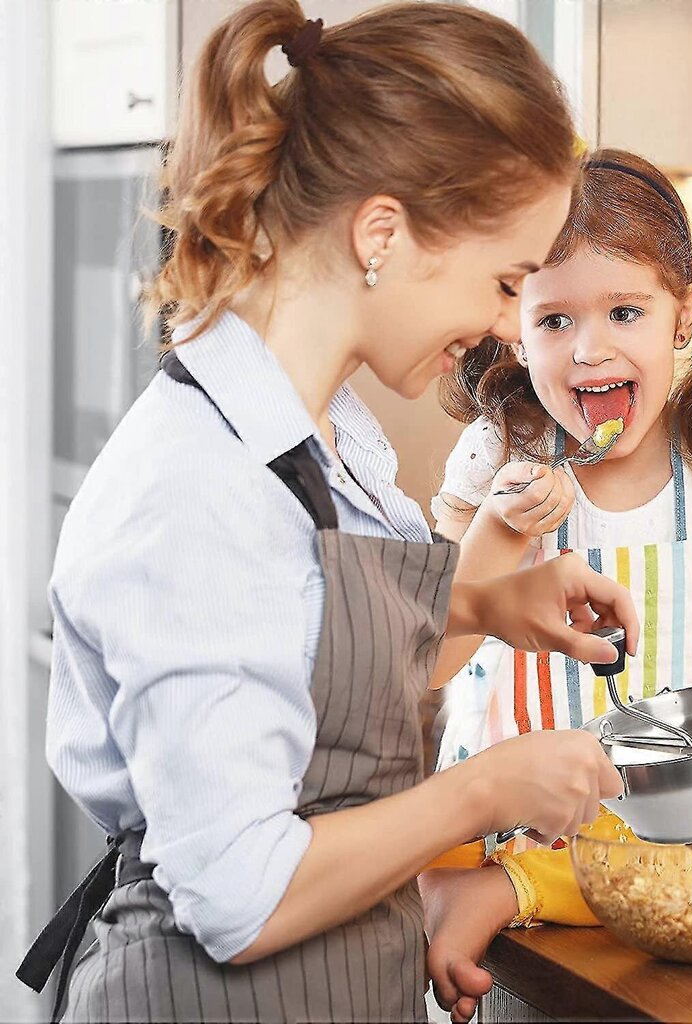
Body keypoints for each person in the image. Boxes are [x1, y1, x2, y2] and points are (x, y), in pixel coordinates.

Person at [17, 6, 641, 1023]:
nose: (504, 328)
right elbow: (241, 891)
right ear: (382, 234)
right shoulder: (198, 490)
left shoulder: (317, 437)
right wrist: (486, 791)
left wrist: (484, 607)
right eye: (505, 283)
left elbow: (316, 701)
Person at [419, 149, 692, 1023]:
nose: (589, 349)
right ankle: (496, 882)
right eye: (553, 321)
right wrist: (498, 531)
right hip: (506, 818)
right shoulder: (497, 456)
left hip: (674, 832)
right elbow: (422, 662)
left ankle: (518, 891)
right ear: (515, 326)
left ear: (682, 316)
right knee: (443, 834)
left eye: (625, 310)